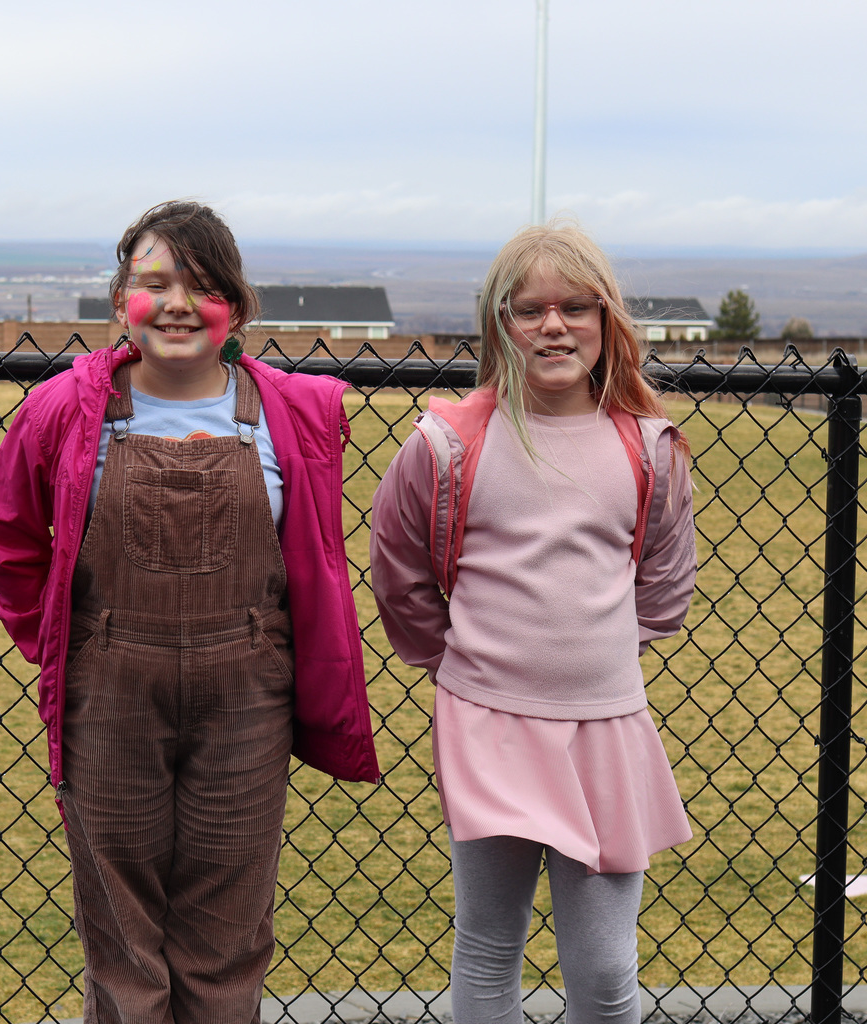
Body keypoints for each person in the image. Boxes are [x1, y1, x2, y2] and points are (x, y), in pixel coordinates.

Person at [0, 200, 379, 1024]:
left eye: (202, 285)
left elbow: (320, 558)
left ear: (236, 302)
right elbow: (5, 532)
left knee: (227, 938)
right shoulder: (64, 409)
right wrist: (59, 642)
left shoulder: (293, 414)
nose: (178, 304)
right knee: (122, 940)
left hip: (248, 698)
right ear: (123, 299)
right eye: (154, 283)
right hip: (109, 691)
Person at [370, 223, 696, 1024]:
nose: (554, 326)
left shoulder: (649, 447)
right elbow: (398, 569)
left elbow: (663, 581)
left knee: (607, 970)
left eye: (576, 307)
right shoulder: (449, 444)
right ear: (498, 325)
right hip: (489, 728)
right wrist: (465, 662)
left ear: (606, 321)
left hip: (606, 729)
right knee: (487, 951)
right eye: (529, 309)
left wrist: (596, 654)